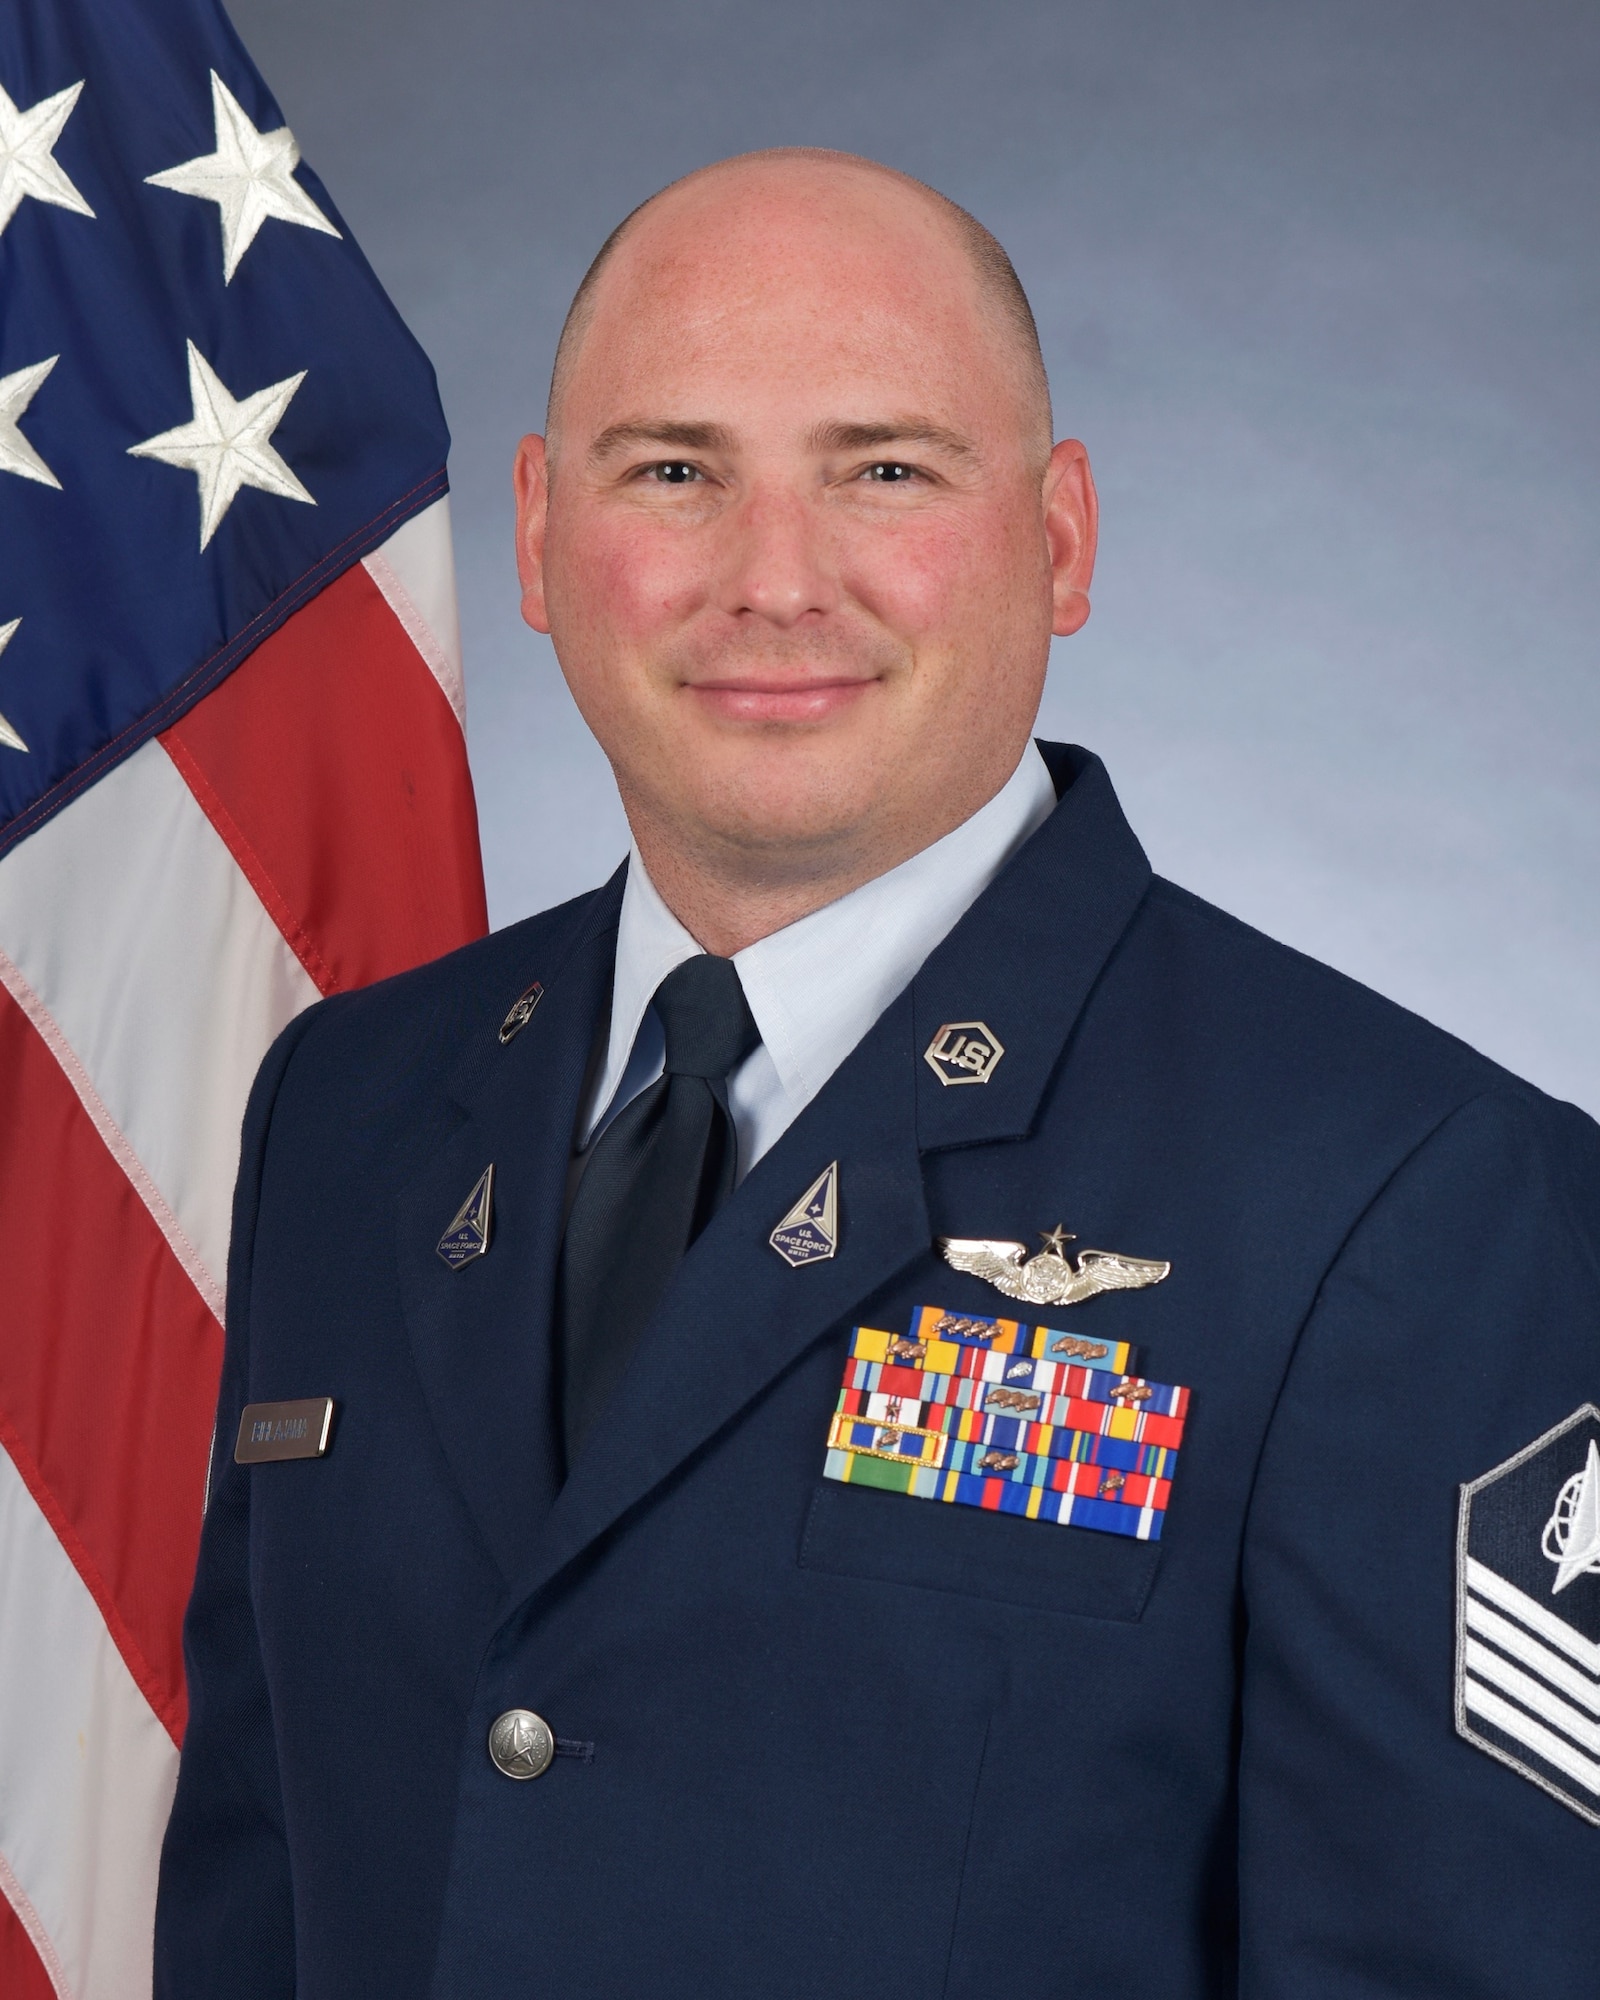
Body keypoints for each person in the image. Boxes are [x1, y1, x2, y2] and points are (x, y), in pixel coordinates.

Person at [155, 150, 1600, 1999]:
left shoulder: (1409, 1200)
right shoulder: (351, 1111)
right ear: (534, 538)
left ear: (1061, 542)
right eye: (673, 470)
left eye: (886, 472)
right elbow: (253, 1911)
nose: (774, 582)